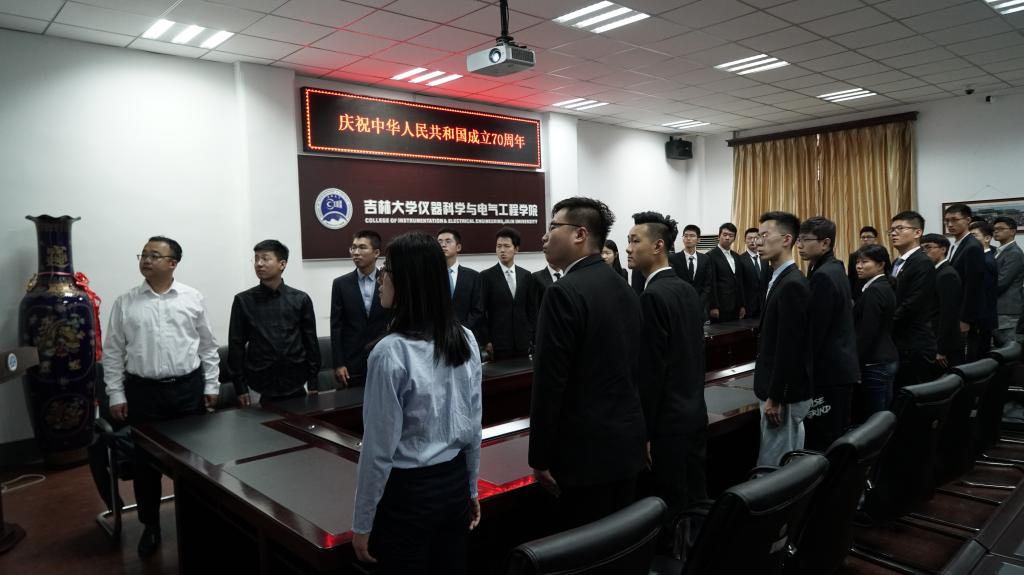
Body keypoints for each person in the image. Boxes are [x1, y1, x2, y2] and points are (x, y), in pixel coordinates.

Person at [351, 232, 482, 574]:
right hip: (453, 485)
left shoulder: (390, 352)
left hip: (409, 494)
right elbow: (473, 426)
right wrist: (470, 488)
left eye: (387, 270)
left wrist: (363, 522)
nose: (381, 278)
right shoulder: (465, 337)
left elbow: (378, 449)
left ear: (409, 281)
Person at [529, 197, 645, 530]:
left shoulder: (563, 292)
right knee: (621, 541)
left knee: (585, 545)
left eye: (553, 227)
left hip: (582, 456)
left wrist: (539, 457)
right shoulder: (623, 287)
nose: (545, 236)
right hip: (626, 447)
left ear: (580, 234)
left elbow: (550, 382)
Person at [102, 236, 220, 558]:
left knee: (194, 463)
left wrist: (211, 386)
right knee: (145, 466)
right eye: (143, 254)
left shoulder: (192, 298)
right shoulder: (126, 302)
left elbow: (208, 346)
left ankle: (196, 520)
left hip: (187, 390)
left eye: (155, 255)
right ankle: (150, 525)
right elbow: (112, 352)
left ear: (172, 263)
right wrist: (116, 393)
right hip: (144, 393)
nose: (146, 260)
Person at [626, 211, 707, 553]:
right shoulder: (686, 289)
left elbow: (652, 372)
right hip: (694, 412)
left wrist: (645, 431)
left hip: (667, 423)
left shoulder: (653, 296)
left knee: (671, 505)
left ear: (658, 246)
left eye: (635, 241)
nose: (628, 248)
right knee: (695, 498)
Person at [228, 240, 320, 404]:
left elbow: (310, 343)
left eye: (265, 258)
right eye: (256, 259)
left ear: (282, 264)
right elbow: (236, 346)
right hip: (258, 382)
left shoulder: (300, 299)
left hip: (297, 381)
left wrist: (313, 381)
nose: (259, 264)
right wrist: (240, 387)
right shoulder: (243, 301)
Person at [753, 212, 811, 467]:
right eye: (758, 236)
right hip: (777, 390)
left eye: (765, 235)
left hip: (783, 396)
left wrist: (776, 396)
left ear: (787, 239)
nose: (758, 242)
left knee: (775, 465)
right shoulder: (778, 278)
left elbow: (790, 348)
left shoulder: (792, 284)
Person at [796, 217, 859, 451]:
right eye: (799, 240)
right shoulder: (832, 266)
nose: (799, 245)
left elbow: (816, 330)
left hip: (830, 371)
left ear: (825, 243)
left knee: (825, 440)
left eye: (805, 240)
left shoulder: (823, 275)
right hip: (839, 367)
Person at [330, 230, 390, 388]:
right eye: (353, 248)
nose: (356, 252)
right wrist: (338, 363)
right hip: (352, 362)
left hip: (384, 358)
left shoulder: (389, 281)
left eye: (362, 247)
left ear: (376, 253)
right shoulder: (340, 284)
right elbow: (336, 326)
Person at [890, 211, 938, 387]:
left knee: (914, 393)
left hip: (914, 342)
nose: (894, 233)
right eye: (892, 230)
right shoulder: (897, 262)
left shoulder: (922, 262)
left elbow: (913, 302)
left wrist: (886, 321)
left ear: (917, 232)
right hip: (899, 339)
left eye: (900, 228)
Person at [852, 244, 898, 422]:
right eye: (858, 262)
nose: (859, 266)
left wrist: (857, 365)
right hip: (885, 358)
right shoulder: (883, 285)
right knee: (883, 416)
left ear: (880, 265)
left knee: (875, 420)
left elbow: (867, 333)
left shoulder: (875, 290)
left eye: (865, 262)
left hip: (875, 362)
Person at [479, 227, 537, 361]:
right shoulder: (486, 276)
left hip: (523, 342)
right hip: (498, 342)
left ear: (516, 249)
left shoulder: (526, 275)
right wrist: (486, 340)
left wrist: (531, 335)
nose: (502, 250)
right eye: (498, 246)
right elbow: (481, 311)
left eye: (506, 246)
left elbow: (531, 309)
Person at [944, 203, 987, 361]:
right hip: (955, 309)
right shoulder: (957, 244)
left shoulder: (972, 246)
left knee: (964, 358)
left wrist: (965, 319)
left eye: (955, 220)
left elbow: (973, 286)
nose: (950, 224)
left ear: (968, 220)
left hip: (965, 314)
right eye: (947, 221)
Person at [921, 234, 965, 370]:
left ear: (943, 249)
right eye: (922, 248)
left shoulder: (947, 274)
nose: (924, 251)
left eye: (928, 247)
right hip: (932, 338)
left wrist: (941, 349)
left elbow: (949, 315)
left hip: (944, 345)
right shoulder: (934, 271)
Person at [438, 228, 485, 340]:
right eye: (440, 242)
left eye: (448, 241)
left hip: (465, 336)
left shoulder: (473, 276)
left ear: (458, 247)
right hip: (437, 336)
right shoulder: (430, 276)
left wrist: (461, 331)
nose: (443, 245)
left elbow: (478, 310)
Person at [992, 216, 1024, 345]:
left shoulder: (1014, 253)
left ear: (1012, 231)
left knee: (1009, 349)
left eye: (1000, 228)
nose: (996, 231)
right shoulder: (999, 251)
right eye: (994, 229)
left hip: (1007, 310)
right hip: (998, 308)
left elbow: (1001, 282)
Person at [670, 224, 713, 319]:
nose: (688, 238)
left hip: (699, 306)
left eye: (692, 236)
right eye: (685, 236)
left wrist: (700, 302)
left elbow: (707, 284)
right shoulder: (673, 258)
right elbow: (672, 282)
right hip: (679, 305)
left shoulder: (705, 259)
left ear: (698, 240)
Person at [969, 220, 999, 356]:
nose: (970, 240)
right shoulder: (980, 257)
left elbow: (984, 291)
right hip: (979, 315)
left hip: (983, 316)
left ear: (987, 238)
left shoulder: (987, 260)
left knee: (979, 354)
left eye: (974, 236)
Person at [707, 222, 746, 322]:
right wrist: (713, 306)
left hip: (736, 305)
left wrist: (742, 305)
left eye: (731, 235)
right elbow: (711, 283)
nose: (727, 238)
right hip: (720, 307)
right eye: (725, 234)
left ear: (734, 238)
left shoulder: (737, 256)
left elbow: (740, 282)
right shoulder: (710, 256)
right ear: (719, 236)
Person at [739, 226, 771, 319]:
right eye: (750, 238)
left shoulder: (765, 258)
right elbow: (739, 285)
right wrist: (742, 305)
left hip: (764, 305)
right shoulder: (740, 259)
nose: (753, 241)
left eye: (756, 238)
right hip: (748, 306)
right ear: (745, 240)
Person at [847, 226, 880, 297]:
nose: (865, 239)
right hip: (858, 294)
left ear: (875, 239)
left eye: (869, 237)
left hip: (878, 291)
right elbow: (851, 278)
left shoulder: (881, 254)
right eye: (863, 237)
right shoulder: (853, 256)